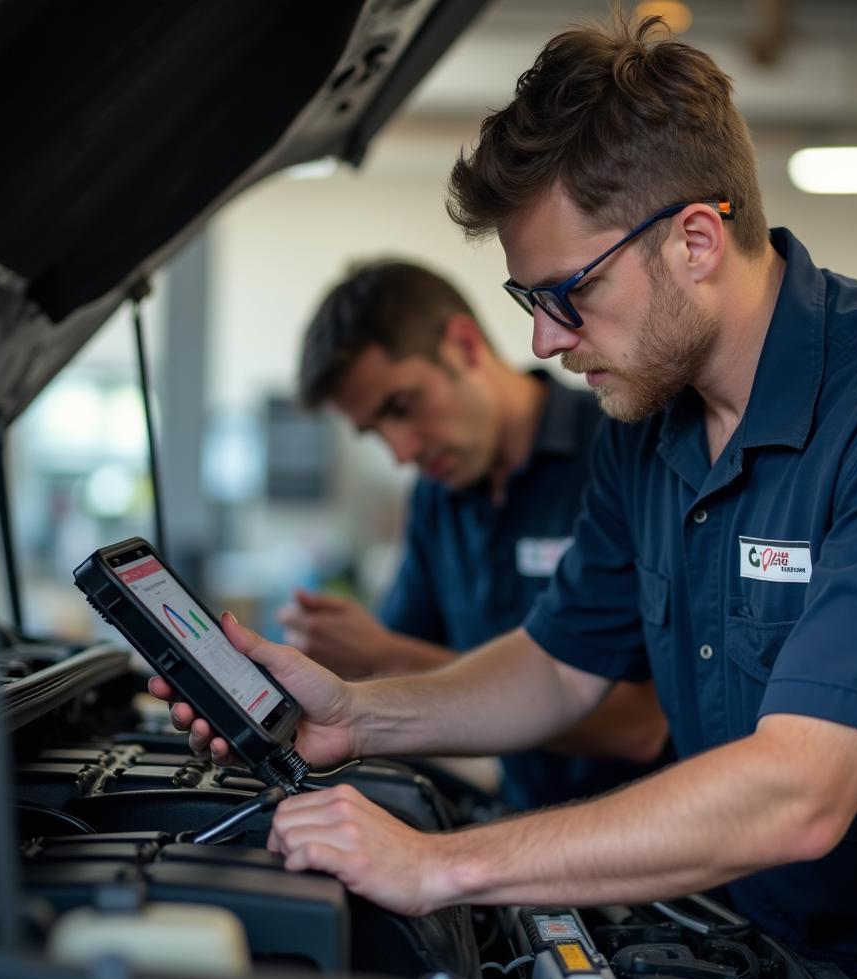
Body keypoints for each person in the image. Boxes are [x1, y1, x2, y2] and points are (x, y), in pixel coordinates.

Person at [152, 16, 857, 979]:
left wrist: (441, 866)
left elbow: (798, 793)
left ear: (694, 240)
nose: (543, 340)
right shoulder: (645, 427)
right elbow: (556, 666)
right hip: (769, 953)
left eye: (567, 294)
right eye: (525, 297)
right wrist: (358, 711)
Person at [277, 260, 670, 809]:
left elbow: (638, 725)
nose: (402, 453)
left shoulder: (621, 450)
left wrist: (390, 655)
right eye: (375, 432)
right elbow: (397, 669)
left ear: (463, 344)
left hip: (649, 843)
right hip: (518, 827)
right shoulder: (437, 497)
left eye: (402, 407)